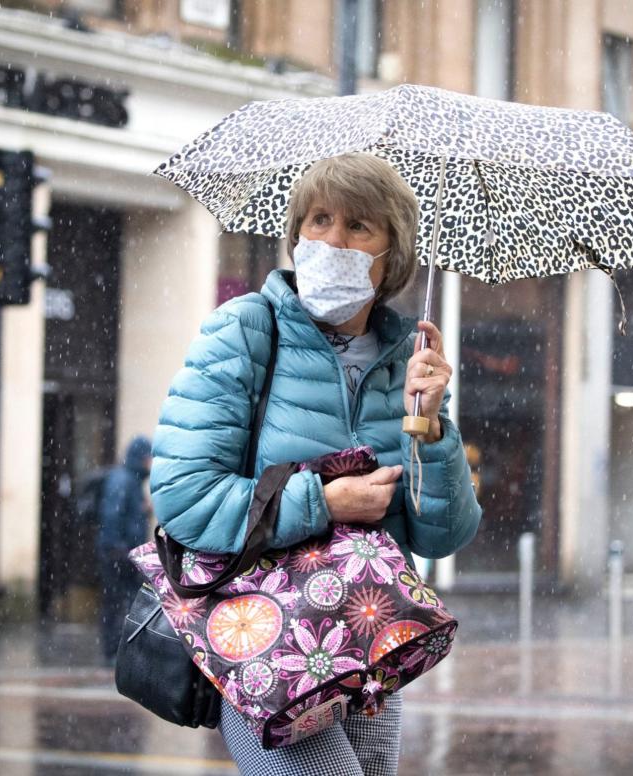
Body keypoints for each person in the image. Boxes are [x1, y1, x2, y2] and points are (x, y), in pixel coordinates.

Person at [150, 153, 482, 775]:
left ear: (393, 256)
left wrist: (431, 426)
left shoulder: (403, 367)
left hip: (366, 647)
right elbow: (184, 494)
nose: (333, 239)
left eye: (359, 227)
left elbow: (443, 535)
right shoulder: (245, 330)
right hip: (268, 643)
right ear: (296, 233)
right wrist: (324, 502)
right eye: (319, 219)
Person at [97, 435, 153, 663]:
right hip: (119, 554)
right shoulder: (124, 481)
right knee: (117, 602)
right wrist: (117, 549)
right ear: (142, 458)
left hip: (125, 552)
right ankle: (114, 652)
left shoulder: (132, 481)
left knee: (123, 601)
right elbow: (112, 516)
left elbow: (127, 516)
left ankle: (121, 651)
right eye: (150, 457)